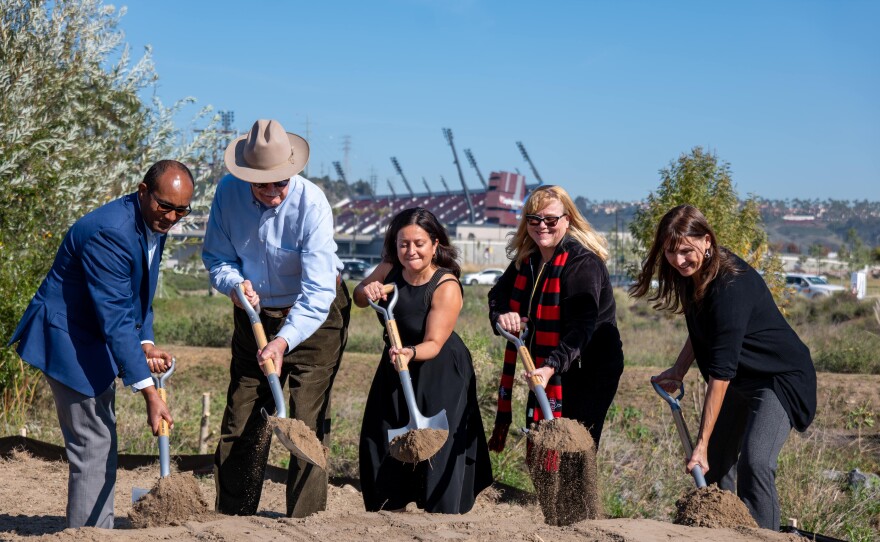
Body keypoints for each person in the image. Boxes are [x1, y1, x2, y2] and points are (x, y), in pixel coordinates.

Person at [8, 160, 194, 528]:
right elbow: (114, 316)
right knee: (93, 442)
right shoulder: (110, 232)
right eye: (165, 206)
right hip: (67, 337)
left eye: (181, 210)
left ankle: (97, 528)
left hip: (93, 335)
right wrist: (149, 393)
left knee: (101, 437)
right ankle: (88, 534)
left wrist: (145, 342)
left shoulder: (153, 220)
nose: (172, 217)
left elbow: (135, 297)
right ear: (143, 192)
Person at [630, 204, 817, 530]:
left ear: (706, 241)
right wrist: (679, 369)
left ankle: (764, 537)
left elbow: (721, 373)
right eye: (671, 252)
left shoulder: (730, 286)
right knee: (716, 467)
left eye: (686, 250)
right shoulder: (694, 275)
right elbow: (704, 330)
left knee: (756, 462)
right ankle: (724, 534)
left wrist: (700, 445)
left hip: (778, 379)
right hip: (742, 379)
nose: (678, 260)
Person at [202, 119, 351, 518]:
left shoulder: (312, 204)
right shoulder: (226, 194)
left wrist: (284, 341)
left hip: (314, 318)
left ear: (293, 170)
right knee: (243, 413)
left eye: (280, 183)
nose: (272, 192)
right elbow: (216, 258)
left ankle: (305, 519)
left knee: (305, 417)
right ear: (246, 176)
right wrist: (234, 284)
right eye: (262, 184)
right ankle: (233, 515)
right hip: (253, 313)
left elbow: (319, 292)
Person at [354, 207, 492, 514]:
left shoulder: (446, 285)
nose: (411, 251)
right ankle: (387, 506)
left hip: (438, 366)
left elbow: (433, 342)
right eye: (404, 244)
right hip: (396, 359)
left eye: (419, 243)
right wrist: (369, 288)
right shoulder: (389, 268)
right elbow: (359, 297)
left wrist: (410, 353)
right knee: (380, 433)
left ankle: (441, 513)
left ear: (435, 243)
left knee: (437, 443)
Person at [487, 185, 623, 452]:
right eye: (534, 220)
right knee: (542, 441)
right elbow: (497, 294)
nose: (542, 226)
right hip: (545, 362)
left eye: (550, 220)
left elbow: (582, 328)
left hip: (589, 367)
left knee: (573, 449)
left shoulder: (582, 264)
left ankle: (578, 495)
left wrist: (550, 366)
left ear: (567, 220)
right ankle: (548, 495)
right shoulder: (527, 261)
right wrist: (503, 316)